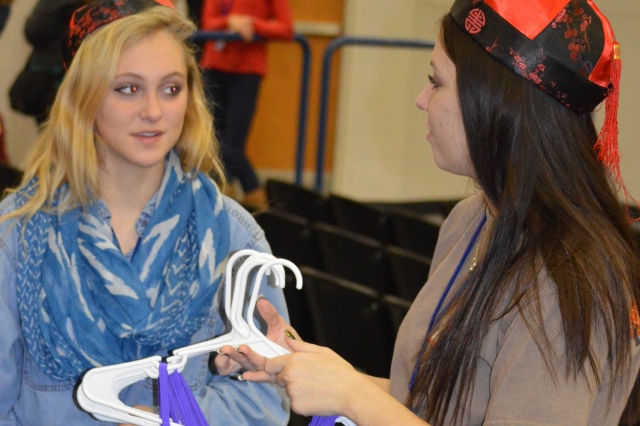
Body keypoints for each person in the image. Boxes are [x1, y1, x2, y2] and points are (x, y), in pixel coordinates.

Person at [216, 0, 640, 425]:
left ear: (496, 102)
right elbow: (432, 406)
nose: (421, 100)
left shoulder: (566, 285)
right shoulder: (472, 219)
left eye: (436, 82)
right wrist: (309, 369)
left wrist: (351, 396)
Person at [0, 0, 291, 424]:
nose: (153, 111)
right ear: (84, 96)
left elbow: (262, 403)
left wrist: (164, 418)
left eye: (171, 89)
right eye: (128, 89)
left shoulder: (232, 237)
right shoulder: (18, 237)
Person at [199, 0, 293, 208]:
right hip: (214, 68)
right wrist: (229, 22)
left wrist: (252, 24)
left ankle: (261, 208)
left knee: (232, 149)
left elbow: (286, 28)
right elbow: (207, 23)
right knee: (212, 146)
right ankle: (223, 207)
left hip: (247, 72)